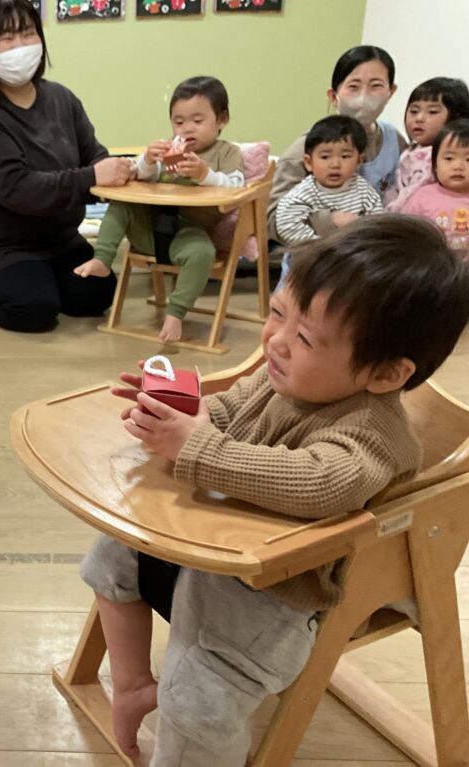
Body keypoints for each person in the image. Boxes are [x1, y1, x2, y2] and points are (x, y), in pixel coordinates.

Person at [79, 215, 469, 766]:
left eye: (304, 337)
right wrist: (180, 414)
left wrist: (198, 448)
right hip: (222, 549)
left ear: (384, 375)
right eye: (278, 313)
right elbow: (229, 410)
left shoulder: (375, 435)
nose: (276, 342)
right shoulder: (283, 375)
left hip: (280, 594)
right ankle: (133, 685)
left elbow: (320, 484)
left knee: (197, 704)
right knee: (110, 556)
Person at [0, 0, 134, 333]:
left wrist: (121, 170)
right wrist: (92, 177)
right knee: (35, 309)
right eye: (6, 38)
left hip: (59, 240)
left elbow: (93, 153)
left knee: (99, 292)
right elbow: (20, 190)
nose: (20, 46)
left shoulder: (62, 99)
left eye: (27, 33)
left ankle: (43, 280)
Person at [80, 76, 244, 343]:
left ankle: (176, 313)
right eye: (178, 122)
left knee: (203, 254)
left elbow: (236, 188)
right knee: (123, 202)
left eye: (197, 121)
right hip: (150, 228)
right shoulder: (169, 148)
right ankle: (103, 258)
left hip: (188, 233)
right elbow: (140, 175)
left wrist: (205, 175)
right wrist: (147, 160)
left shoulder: (226, 153)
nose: (187, 128)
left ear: (222, 119)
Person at [268, 45, 404, 243]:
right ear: (333, 96)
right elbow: (272, 221)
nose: (364, 96)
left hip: (375, 250)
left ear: (390, 92)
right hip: (316, 253)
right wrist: (331, 220)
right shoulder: (306, 149)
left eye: (375, 86)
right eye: (353, 87)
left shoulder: (395, 140)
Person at [275, 115, 382, 245]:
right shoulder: (304, 192)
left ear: (359, 161)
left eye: (345, 156)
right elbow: (286, 224)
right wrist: (318, 245)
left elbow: (377, 223)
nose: (335, 165)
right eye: (325, 157)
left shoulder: (363, 190)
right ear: (309, 162)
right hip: (314, 251)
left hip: (353, 249)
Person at [385, 77, 469, 211]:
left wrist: (391, 213)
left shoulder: (432, 157)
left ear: (456, 117)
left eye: (432, 112)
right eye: (414, 111)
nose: (419, 118)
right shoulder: (410, 149)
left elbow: (413, 192)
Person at [396, 119, 469, 254]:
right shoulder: (422, 197)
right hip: (431, 263)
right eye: (449, 158)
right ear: (435, 165)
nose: (458, 166)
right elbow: (403, 232)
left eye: (468, 159)